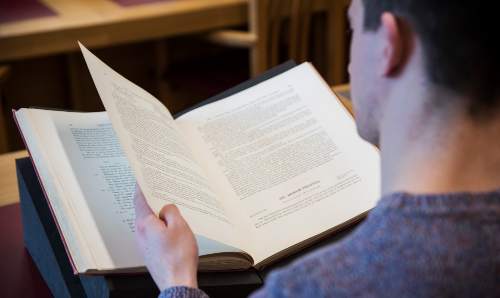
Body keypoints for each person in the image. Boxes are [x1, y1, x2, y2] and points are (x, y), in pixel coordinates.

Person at [133, 0, 500, 296]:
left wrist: (178, 281)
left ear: (389, 45)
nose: (350, 65)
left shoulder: (312, 287)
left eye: (352, 27)